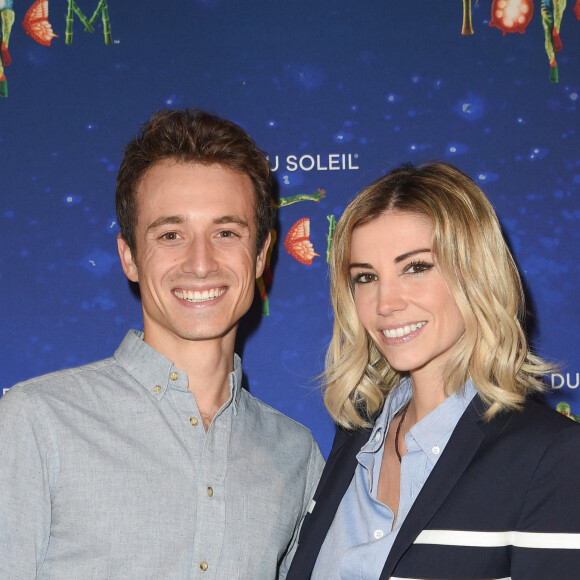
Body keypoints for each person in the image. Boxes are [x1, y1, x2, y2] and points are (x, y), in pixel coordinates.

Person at [0, 108, 324, 579]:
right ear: (129, 256)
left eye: (226, 232)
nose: (199, 262)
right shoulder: (35, 423)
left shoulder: (296, 453)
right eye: (171, 234)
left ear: (260, 255)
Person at [286, 161, 580, 579]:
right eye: (366, 277)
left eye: (416, 267)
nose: (386, 302)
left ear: (475, 272)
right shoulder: (356, 439)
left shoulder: (551, 457)